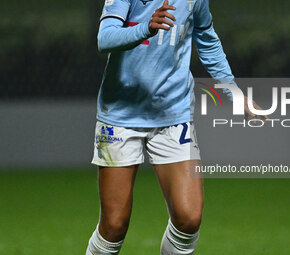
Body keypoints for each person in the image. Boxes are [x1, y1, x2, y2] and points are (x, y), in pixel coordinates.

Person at [86, 0, 265, 254]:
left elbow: (207, 40)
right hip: (121, 114)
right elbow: (105, 38)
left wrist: (234, 94)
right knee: (114, 225)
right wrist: (146, 27)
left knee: (188, 218)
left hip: (173, 112)